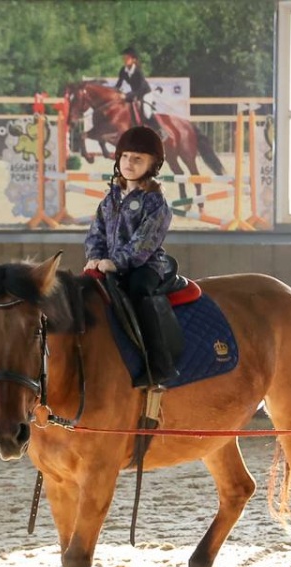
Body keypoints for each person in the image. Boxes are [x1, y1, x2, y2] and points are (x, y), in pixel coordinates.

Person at [84, 125, 181, 388]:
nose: (129, 163)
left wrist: (117, 262)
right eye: (125, 156)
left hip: (145, 265)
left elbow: (144, 243)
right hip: (109, 263)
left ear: (153, 164)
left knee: (138, 291)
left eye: (138, 159)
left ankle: (159, 365)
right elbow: (97, 231)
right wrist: (94, 257)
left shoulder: (155, 203)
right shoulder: (111, 197)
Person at [114, 46, 165, 138]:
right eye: (124, 58)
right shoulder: (123, 70)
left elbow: (141, 88)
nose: (125, 60)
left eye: (127, 58)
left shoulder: (138, 71)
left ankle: (160, 130)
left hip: (145, 93)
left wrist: (127, 95)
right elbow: (119, 84)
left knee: (146, 112)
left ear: (133, 59)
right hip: (135, 93)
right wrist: (114, 93)